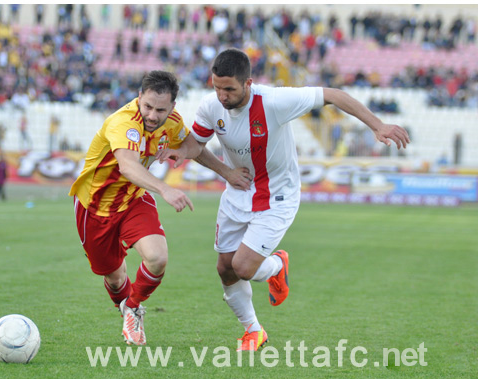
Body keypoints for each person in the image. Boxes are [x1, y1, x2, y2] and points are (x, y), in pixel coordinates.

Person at [157, 48, 410, 351]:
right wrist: (187, 155)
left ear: (248, 83)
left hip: (278, 196)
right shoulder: (211, 106)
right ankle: (253, 331)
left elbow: (334, 94)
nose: (222, 95)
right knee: (224, 268)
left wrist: (377, 125)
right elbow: (195, 144)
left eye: (229, 89)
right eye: (216, 87)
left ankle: (276, 265)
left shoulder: (275, 102)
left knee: (244, 267)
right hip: (237, 193)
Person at [69, 70, 203, 346]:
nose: (153, 115)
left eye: (161, 110)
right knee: (116, 278)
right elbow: (128, 165)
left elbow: (194, 145)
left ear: (173, 107)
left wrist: (224, 171)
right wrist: (165, 188)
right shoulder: (122, 122)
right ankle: (126, 306)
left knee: (157, 257)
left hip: (133, 199)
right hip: (94, 208)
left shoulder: (173, 122)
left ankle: (132, 308)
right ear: (139, 97)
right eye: (148, 107)